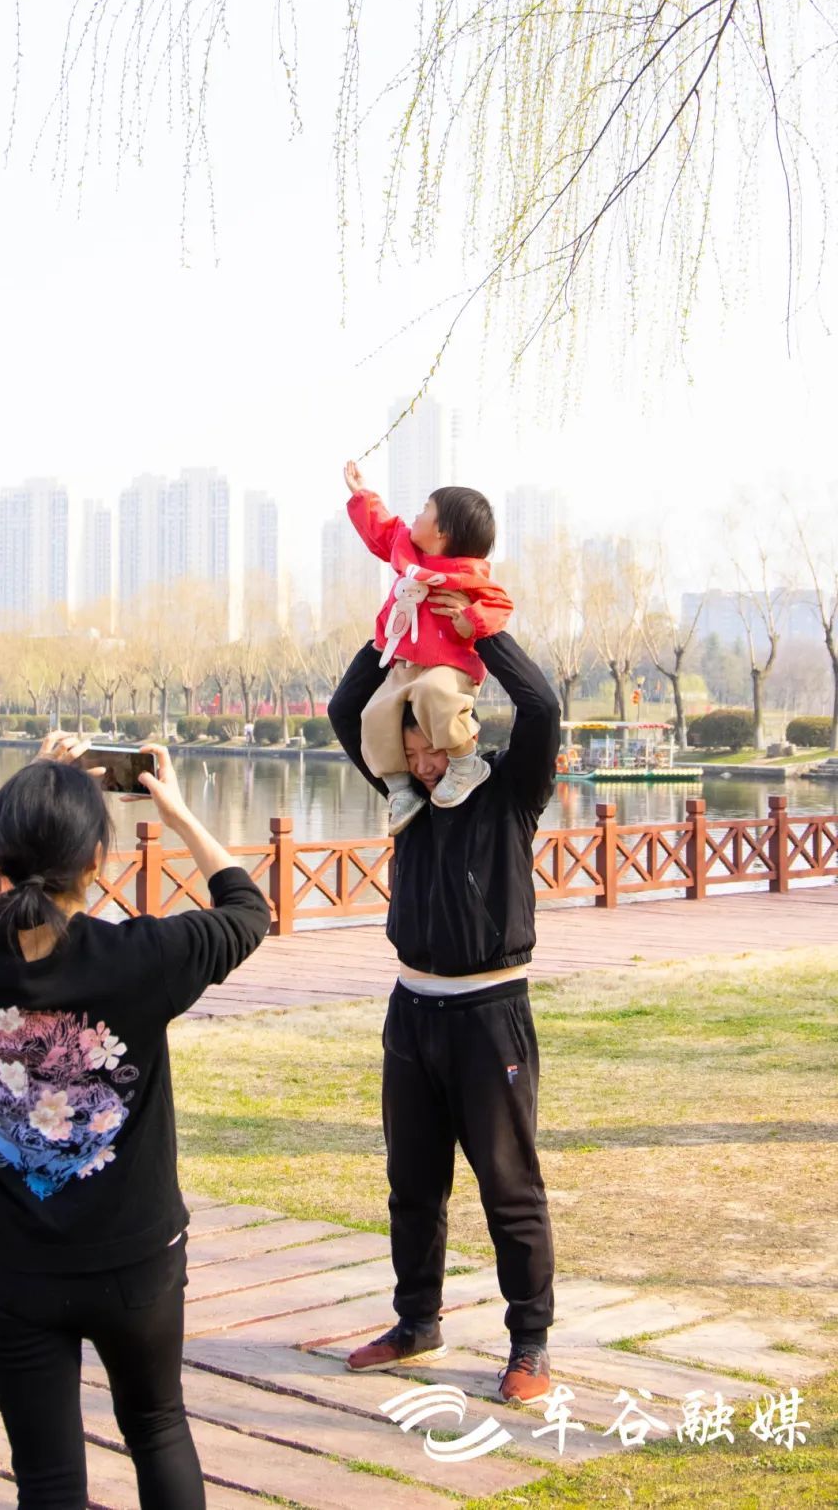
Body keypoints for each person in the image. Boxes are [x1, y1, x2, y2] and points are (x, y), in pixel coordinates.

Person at [0, 733, 270, 1510]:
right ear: (98, 863)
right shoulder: (146, 956)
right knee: (158, 1429)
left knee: (46, 1479)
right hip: (134, 1262)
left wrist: (27, 789)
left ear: (1, 859)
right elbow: (248, 908)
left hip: (10, 1267)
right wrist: (176, 813)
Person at [327, 603, 560, 1404]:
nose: (424, 764)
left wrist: (482, 630)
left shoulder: (509, 791)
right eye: (411, 751)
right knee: (412, 1184)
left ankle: (529, 1344)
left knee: (509, 1186)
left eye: (433, 747)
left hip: (490, 1013)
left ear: (459, 735)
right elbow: (344, 711)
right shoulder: (407, 795)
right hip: (411, 1014)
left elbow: (541, 706)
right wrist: (388, 633)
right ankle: (416, 1322)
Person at [342, 461, 513, 835]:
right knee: (374, 713)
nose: (415, 517)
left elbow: (500, 606)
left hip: (449, 667)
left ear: (442, 532)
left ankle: (464, 762)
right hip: (405, 664)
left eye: (424, 510)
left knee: (434, 693)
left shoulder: (468, 575)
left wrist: (472, 620)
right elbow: (384, 530)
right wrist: (362, 495)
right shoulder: (409, 553)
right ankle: (400, 789)